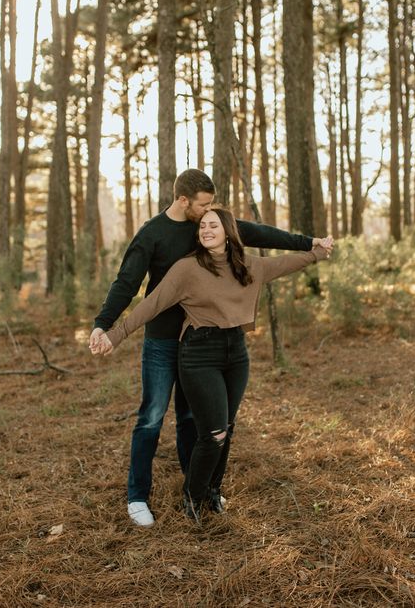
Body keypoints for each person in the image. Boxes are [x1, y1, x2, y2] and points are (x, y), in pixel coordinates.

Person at [90, 168, 333, 527]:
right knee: (151, 418)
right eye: (203, 206)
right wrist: (104, 325)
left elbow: (261, 234)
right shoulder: (153, 234)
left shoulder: (210, 224)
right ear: (184, 200)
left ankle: (197, 487)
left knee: (195, 420)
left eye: (212, 211)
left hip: (198, 342)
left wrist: (308, 242)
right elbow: (127, 283)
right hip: (161, 338)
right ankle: (138, 495)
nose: (207, 215)